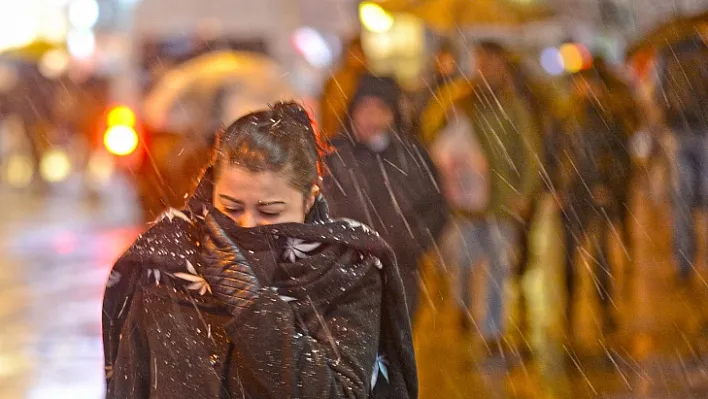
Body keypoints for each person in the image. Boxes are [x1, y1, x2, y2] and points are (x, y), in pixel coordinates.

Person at [102, 102, 417, 398]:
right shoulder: (167, 259)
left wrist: (252, 305)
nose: (248, 224)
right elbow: (131, 384)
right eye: (231, 207)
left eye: (270, 211)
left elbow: (341, 392)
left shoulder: (346, 267)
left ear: (309, 200)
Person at [425, 41, 543, 349]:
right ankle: (462, 308)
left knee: (498, 268)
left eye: (493, 62)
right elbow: (432, 134)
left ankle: (492, 330)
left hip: (502, 204)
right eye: (482, 61)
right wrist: (446, 115)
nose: (487, 68)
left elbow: (529, 153)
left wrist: (525, 193)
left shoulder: (514, 106)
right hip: (465, 205)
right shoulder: (459, 100)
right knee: (462, 261)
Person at [323, 74, 448, 319]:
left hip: (398, 276)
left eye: (380, 108)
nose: (370, 117)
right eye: (364, 107)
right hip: (342, 279)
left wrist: (409, 243)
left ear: (393, 114)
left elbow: (435, 208)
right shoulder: (333, 155)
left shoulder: (412, 157)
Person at [555, 60, 637, 338]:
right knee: (569, 257)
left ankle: (604, 310)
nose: (585, 89)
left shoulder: (611, 120)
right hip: (573, 196)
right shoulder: (566, 119)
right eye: (581, 84)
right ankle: (569, 309)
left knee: (602, 257)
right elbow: (553, 156)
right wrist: (555, 189)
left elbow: (622, 160)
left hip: (599, 194)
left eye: (590, 84)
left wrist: (609, 186)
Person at [660, 38, 708, 285]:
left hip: (678, 134)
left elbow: (660, 97)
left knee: (682, 202)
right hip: (704, 133)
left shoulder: (668, 56)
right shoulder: (704, 55)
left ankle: (683, 263)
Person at [319, 37, 369, 138]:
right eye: (353, 53)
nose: (356, 58)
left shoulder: (368, 81)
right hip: (340, 134)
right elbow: (331, 111)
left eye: (358, 54)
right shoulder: (338, 80)